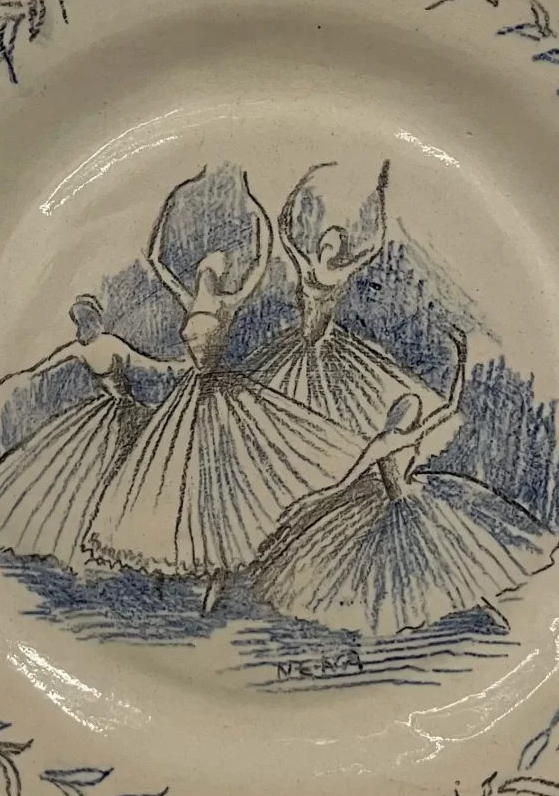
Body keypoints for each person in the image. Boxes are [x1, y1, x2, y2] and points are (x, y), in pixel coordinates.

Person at [81, 167, 365, 607]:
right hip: (189, 398)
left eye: (212, 268)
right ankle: (167, 569)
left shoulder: (229, 300)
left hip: (219, 397)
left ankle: (219, 577)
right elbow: (156, 260)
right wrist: (169, 203)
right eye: (204, 268)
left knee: (220, 485)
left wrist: (259, 212)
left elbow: (261, 260)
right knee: (170, 482)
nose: (206, 272)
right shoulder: (187, 299)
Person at [254, 329, 559, 636]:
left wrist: (462, 357)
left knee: (451, 553)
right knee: (418, 562)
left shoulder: (403, 436)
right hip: (399, 504)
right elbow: (345, 483)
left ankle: (483, 608)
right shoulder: (388, 442)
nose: (416, 416)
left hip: (419, 496)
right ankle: (465, 611)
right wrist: (311, 501)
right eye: (412, 411)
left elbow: (450, 408)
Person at [0, 294, 170, 571]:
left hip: (118, 414)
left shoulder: (103, 345)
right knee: (79, 474)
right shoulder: (88, 347)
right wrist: (0, 384)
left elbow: (147, 364)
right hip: (110, 416)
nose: (87, 325)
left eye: (88, 319)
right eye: (84, 321)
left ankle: (115, 545)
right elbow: (39, 369)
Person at [247, 159, 439, 434]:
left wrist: (380, 194)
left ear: (339, 250)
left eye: (335, 244)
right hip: (299, 341)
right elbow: (285, 233)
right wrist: (295, 191)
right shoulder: (307, 267)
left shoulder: (339, 273)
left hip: (325, 345)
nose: (329, 247)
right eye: (327, 242)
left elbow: (374, 245)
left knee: (329, 401)